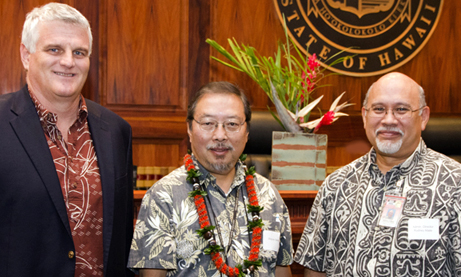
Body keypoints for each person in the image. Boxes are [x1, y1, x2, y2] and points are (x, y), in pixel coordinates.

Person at [0, 3, 133, 276]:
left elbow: (121, 237)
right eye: (54, 49)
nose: (69, 61)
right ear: (26, 56)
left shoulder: (117, 131)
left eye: (79, 52)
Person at [294, 72, 461, 276]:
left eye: (401, 109)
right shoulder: (335, 185)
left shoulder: (455, 184)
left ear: (423, 117)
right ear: (365, 116)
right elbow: (315, 268)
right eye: (379, 109)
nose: (389, 120)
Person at [128, 81, 293, 276]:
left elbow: (282, 270)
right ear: (189, 129)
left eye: (232, 124)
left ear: (247, 132)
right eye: (208, 124)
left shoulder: (269, 195)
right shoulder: (163, 197)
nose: (220, 135)